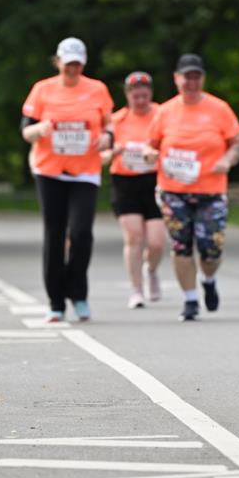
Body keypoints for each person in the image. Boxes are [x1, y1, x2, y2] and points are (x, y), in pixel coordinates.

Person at [144, 54, 239, 321]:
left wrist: (228, 159)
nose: (191, 82)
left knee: (211, 248)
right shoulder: (164, 111)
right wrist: (149, 155)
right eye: (186, 76)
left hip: (211, 190)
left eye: (196, 76)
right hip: (172, 189)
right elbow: (150, 146)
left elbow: (238, 142)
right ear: (177, 78)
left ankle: (208, 279)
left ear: (202, 79)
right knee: (181, 245)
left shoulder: (219, 109)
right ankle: (190, 300)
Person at [21, 37, 114, 322]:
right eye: (67, 64)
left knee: (82, 232)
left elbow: (110, 126)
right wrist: (41, 129)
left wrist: (106, 138)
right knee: (55, 233)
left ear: (82, 64)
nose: (72, 69)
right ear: (58, 62)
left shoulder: (97, 89)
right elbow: (26, 131)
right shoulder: (42, 89)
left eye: (77, 64)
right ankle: (56, 302)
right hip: (49, 170)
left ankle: (79, 293)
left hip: (85, 171)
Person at [101, 71, 166, 308]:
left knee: (157, 242)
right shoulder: (117, 121)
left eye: (145, 96)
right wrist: (114, 151)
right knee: (134, 237)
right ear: (127, 95)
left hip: (155, 180)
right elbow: (102, 157)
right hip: (125, 182)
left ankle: (151, 270)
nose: (140, 101)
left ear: (151, 93)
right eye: (136, 96)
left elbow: (172, 142)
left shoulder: (161, 114)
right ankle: (136, 290)